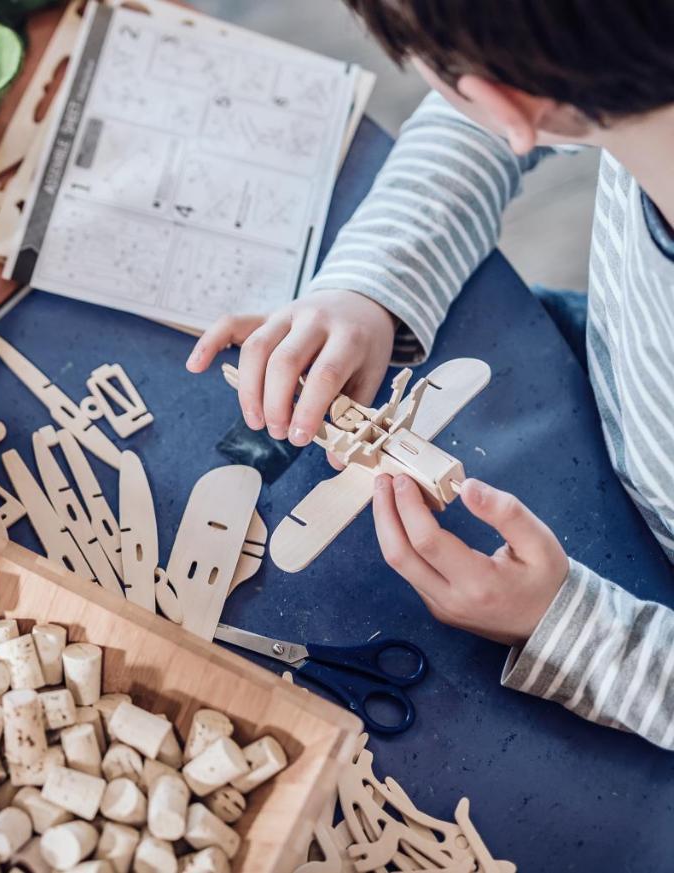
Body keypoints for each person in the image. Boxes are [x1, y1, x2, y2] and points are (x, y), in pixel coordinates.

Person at [187, 0, 674, 748]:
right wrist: (373, 284)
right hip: (613, 382)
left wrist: (574, 629)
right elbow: (476, 119)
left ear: (502, 96)